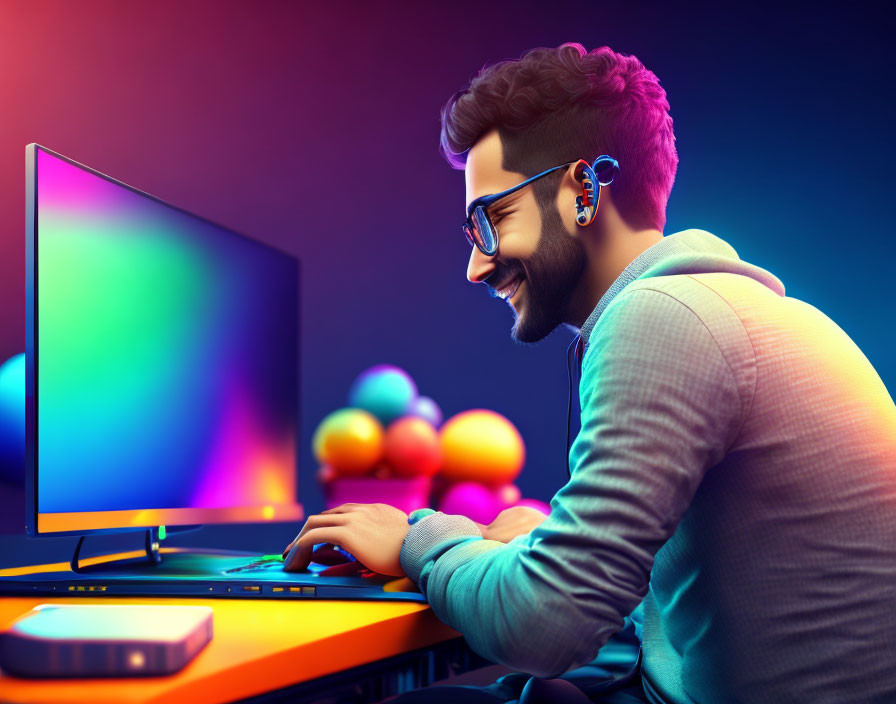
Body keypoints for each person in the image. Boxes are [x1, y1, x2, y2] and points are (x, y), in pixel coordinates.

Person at [282, 43, 896, 703]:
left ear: (583, 190)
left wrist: (420, 538)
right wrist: (533, 547)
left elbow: (545, 628)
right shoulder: (713, 306)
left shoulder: (664, 317)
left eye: (492, 219)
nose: (477, 266)